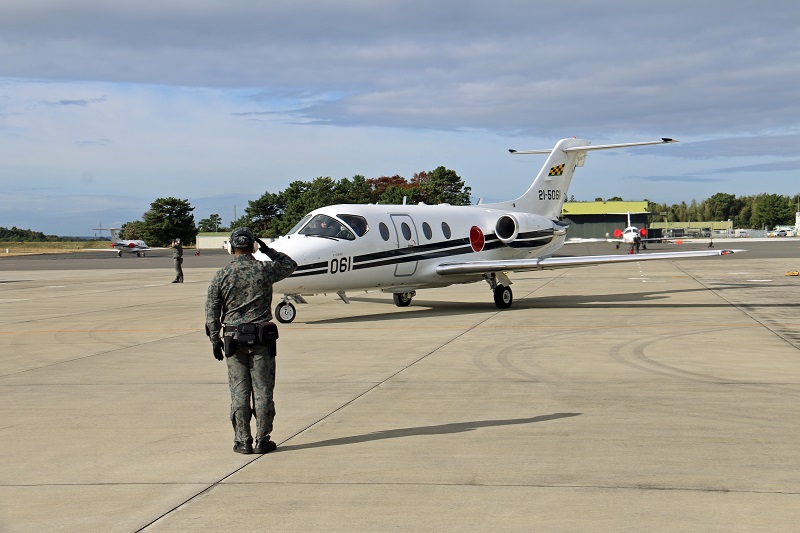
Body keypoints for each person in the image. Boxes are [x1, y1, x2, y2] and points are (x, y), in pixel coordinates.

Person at [205, 227, 297, 454]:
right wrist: (268, 250)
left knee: (239, 391)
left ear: (231, 247)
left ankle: (243, 440)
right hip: (261, 339)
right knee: (263, 391)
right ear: (253, 246)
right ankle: (262, 439)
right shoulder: (264, 269)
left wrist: (215, 339)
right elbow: (289, 265)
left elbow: (211, 310)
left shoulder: (222, 275)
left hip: (234, 339)